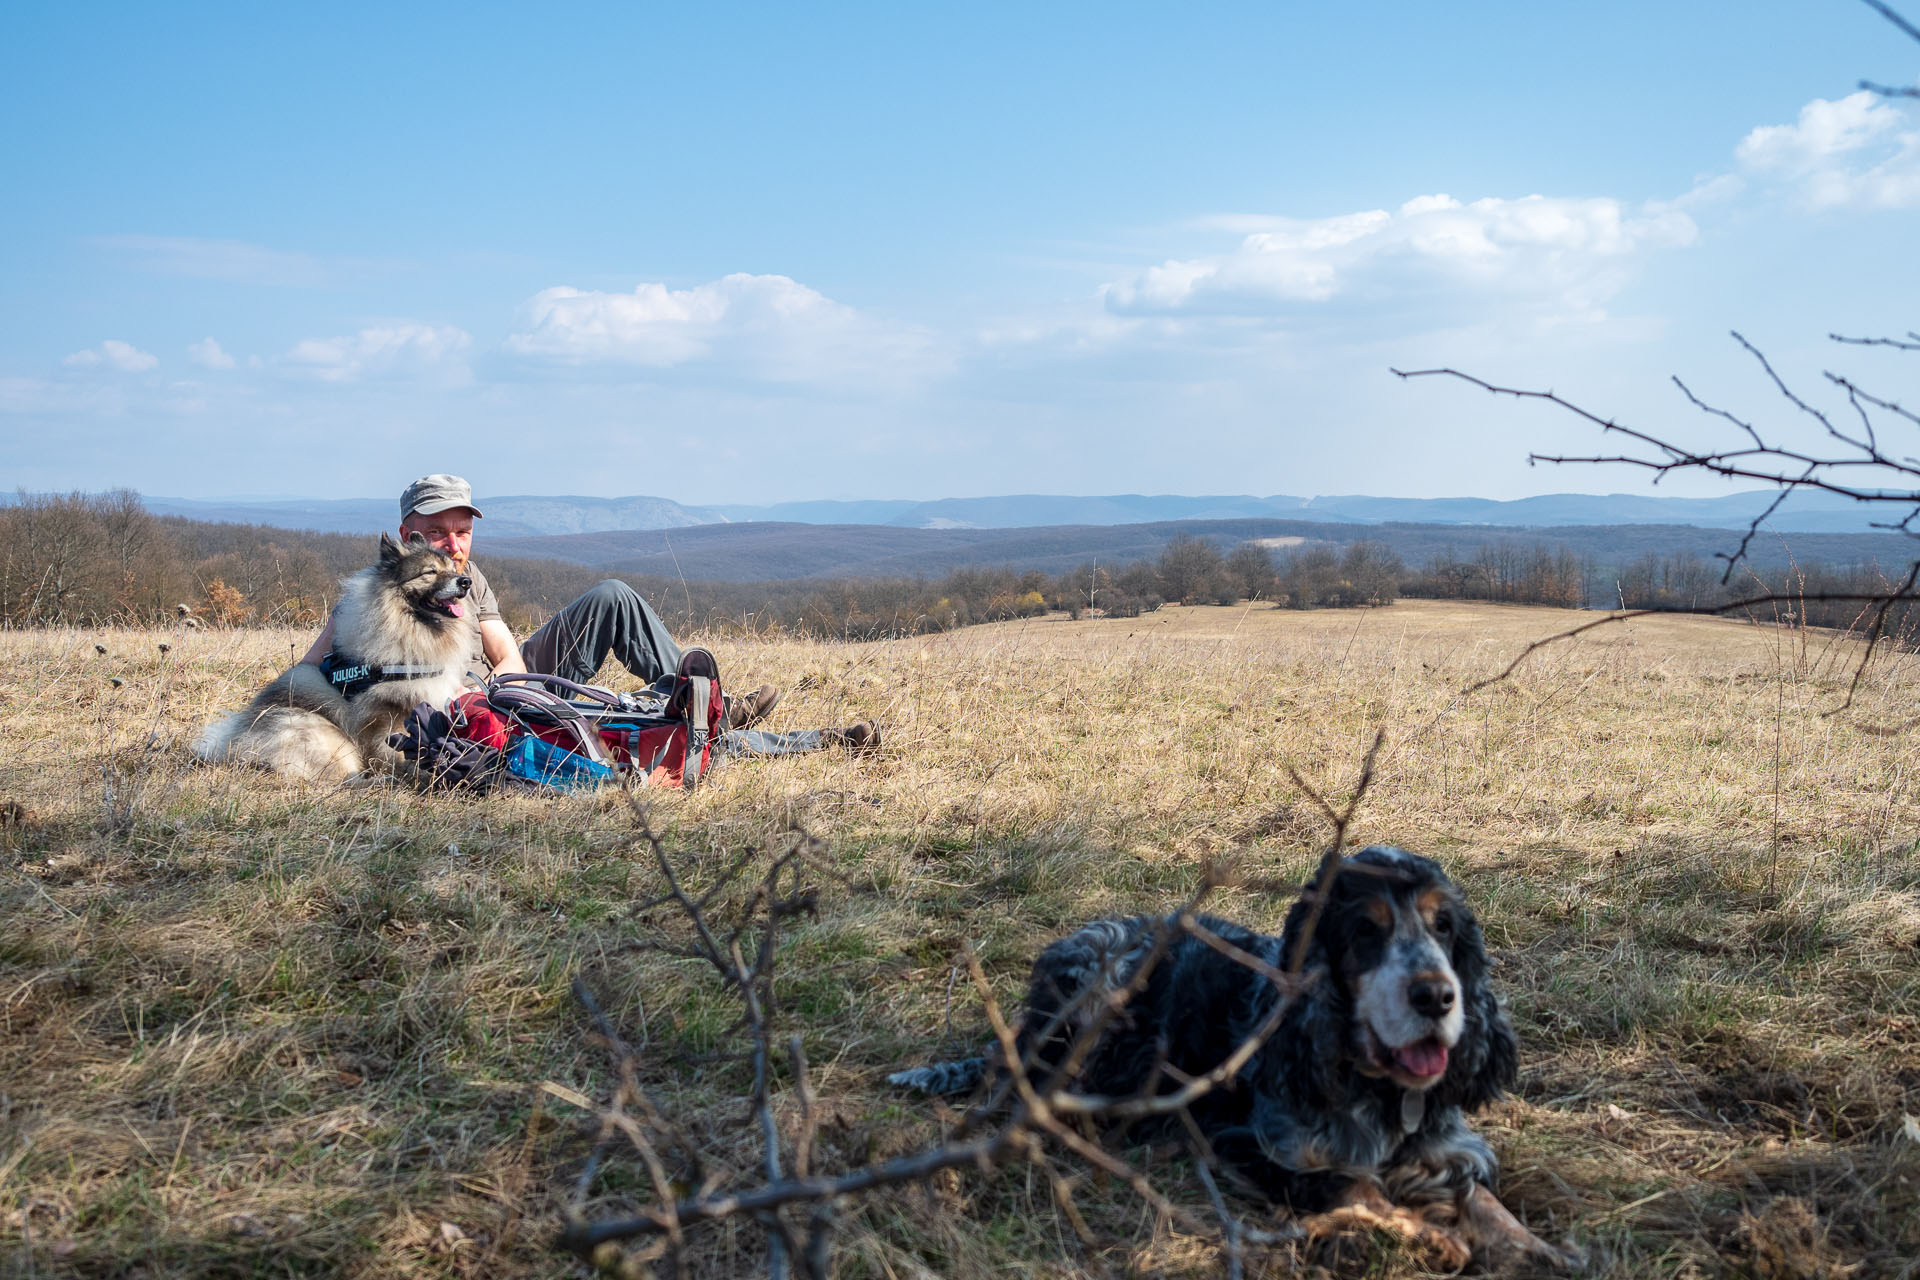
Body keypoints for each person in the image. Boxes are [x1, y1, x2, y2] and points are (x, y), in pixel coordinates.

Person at [299, 474, 878, 754]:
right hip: (452, 712)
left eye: (462, 532)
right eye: (435, 534)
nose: (452, 545)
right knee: (638, 734)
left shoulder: (468, 580)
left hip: (504, 686)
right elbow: (313, 669)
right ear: (407, 536)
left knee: (613, 594)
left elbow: (505, 652)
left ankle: (703, 697)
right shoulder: (378, 597)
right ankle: (806, 742)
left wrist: (518, 688)